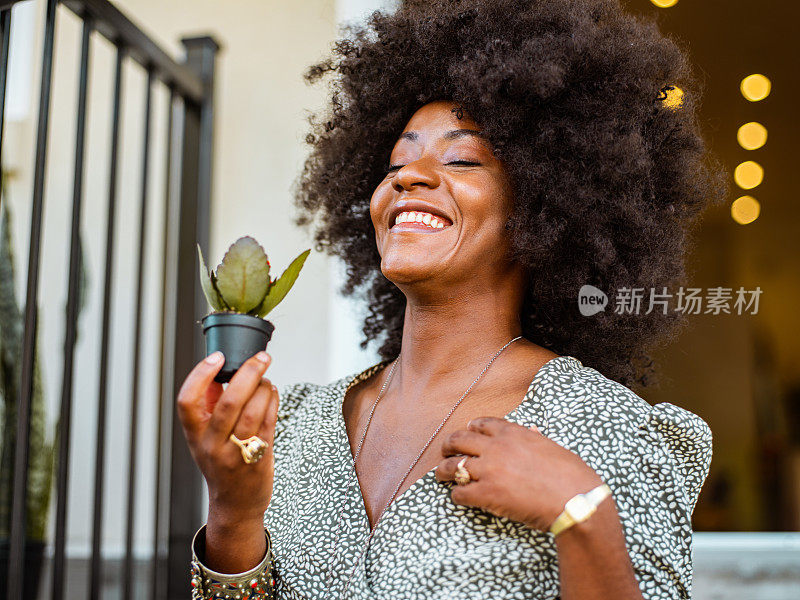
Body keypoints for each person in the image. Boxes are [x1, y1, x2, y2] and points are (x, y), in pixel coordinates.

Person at [177, 1, 726, 598]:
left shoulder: (607, 428)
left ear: (544, 205)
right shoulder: (293, 427)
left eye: (462, 158)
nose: (408, 177)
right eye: (396, 161)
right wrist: (233, 512)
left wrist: (581, 513)